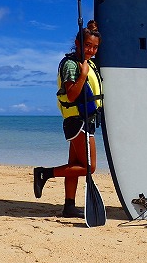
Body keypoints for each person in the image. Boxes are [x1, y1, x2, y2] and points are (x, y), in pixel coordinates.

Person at [33, 20, 103, 218]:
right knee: (89, 167)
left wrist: (94, 30)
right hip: (77, 121)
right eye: (87, 45)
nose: (91, 50)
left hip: (83, 120)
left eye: (95, 47)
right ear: (77, 42)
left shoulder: (85, 62)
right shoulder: (72, 66)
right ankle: (44, 173)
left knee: (74, 164)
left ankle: (69, 206)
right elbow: (72, 95)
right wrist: (82, 76)